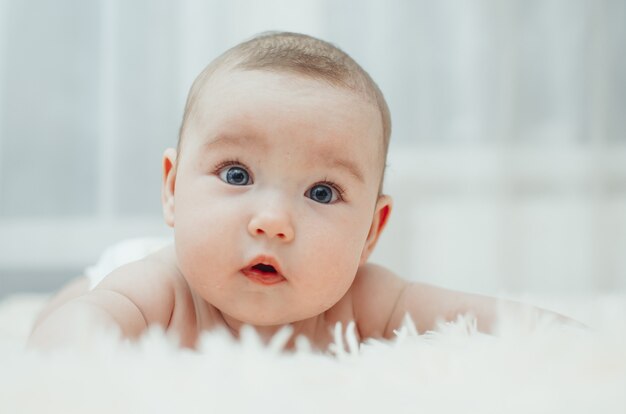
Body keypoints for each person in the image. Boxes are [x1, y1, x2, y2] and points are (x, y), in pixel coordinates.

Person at [28, 31, 570, 350]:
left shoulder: (363, 298)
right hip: (127, 264)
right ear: (173, 188)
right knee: (65, 306)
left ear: (370, 234)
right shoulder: (159, 287)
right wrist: (78, 339)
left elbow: (485, 319)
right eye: (236, 175)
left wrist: (576, 342)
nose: (273, 220)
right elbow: (72, 341)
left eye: (322, 193)